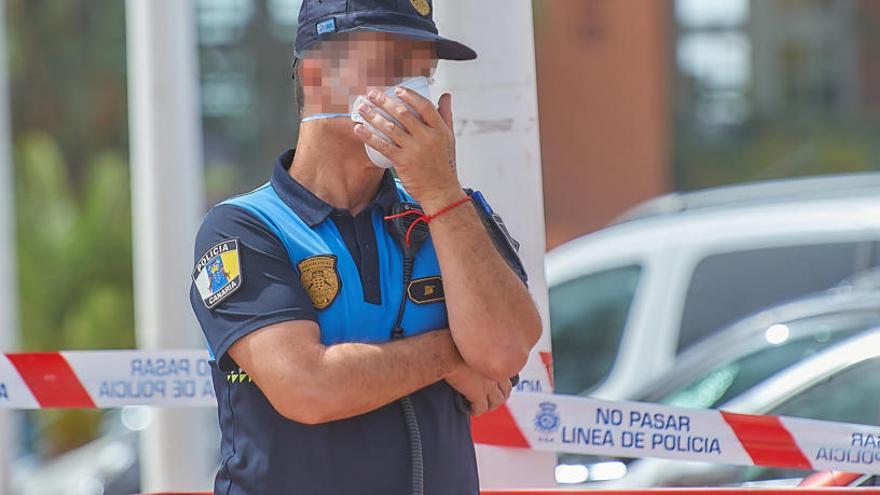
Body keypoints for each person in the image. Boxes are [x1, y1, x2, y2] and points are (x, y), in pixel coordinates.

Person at [189, 1, 542, 493]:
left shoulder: (448, 213)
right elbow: (309, 388)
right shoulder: (243, 229)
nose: (414, 93)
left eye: (424, 73)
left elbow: (504, 351)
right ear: (314, 77)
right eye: (393, 67)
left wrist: (441, 193)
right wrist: (455, 355)